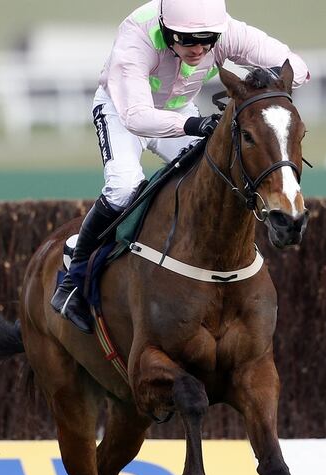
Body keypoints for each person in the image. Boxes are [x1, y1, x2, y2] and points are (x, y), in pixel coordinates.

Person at [51, 0, 311, 334]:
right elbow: (136, 116)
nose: (199, 49)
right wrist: (192, 124)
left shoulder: (227, 31)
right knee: (124, 186)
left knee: (212, 175)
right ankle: (74, 275)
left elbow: (297, 67)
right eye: (188, 40)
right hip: (123, 112)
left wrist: (266, 78)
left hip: (179, 109)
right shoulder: (138, 38)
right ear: (167, 29)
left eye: (207, 41)